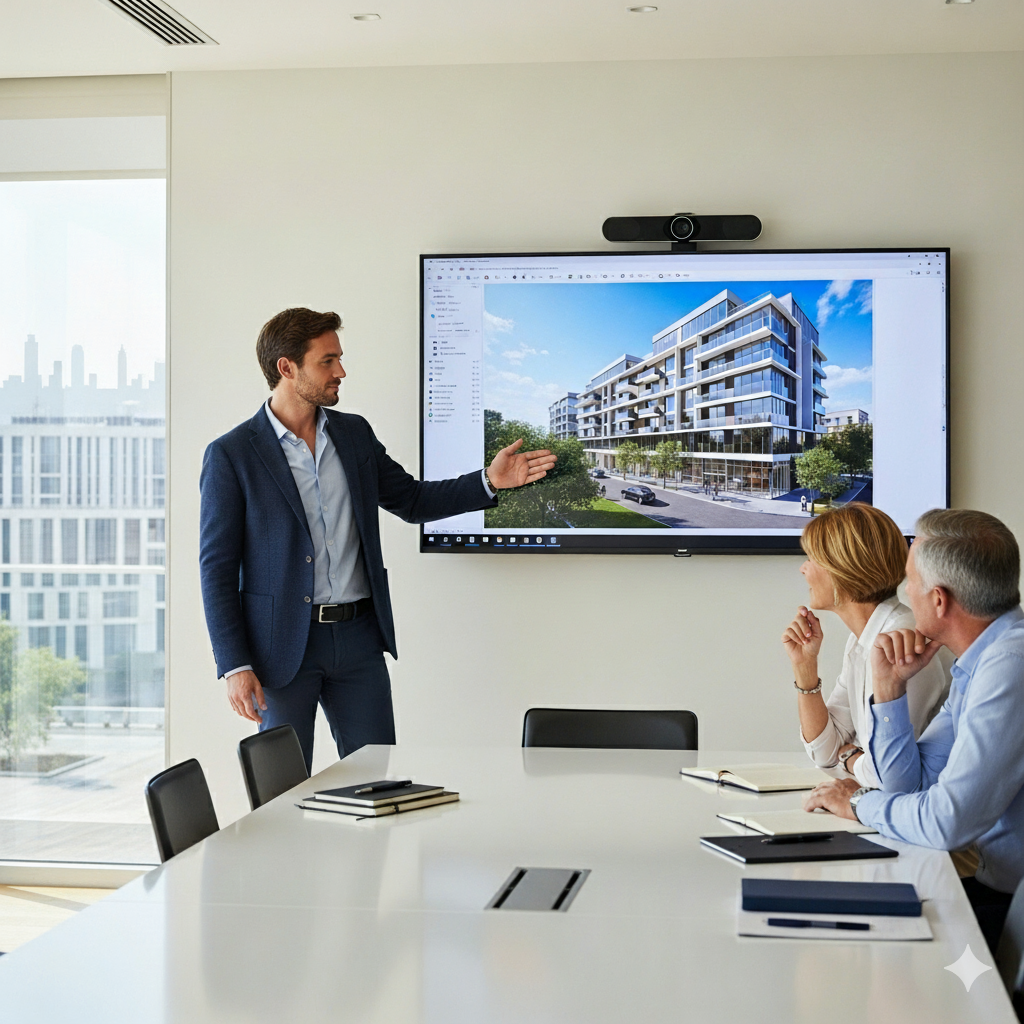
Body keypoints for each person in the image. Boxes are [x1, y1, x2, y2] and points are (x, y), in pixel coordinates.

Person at [200, 307, 556, 770]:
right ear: (287, 368)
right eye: (327, 361)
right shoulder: (231, 455)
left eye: (339, 359)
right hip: (281, 649)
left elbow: (410, 499)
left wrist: (488, 481)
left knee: (377, 785)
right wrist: (235, 665)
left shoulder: (353, 435)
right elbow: (217, 569)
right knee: (279, 792)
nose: (341, 371)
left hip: (358, 641)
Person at [804, 508, 1024, 951]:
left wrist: (861, 803)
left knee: (851, 940)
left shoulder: (1009, 667)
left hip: (1008, 906)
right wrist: (888, 689)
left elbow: (947, 822)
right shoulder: (982, 661)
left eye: (910, 583)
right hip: (996, 888)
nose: (903, 595)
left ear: (938, 600)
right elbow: (911, 782)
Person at [782, 503, 950, 788]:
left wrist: (848, 758)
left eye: (812, 558)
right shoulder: (863, 639)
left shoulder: (902, 642)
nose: (803, 569)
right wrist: (805, 667)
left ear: (843, 569)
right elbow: (824, 752)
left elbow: (885, 774)